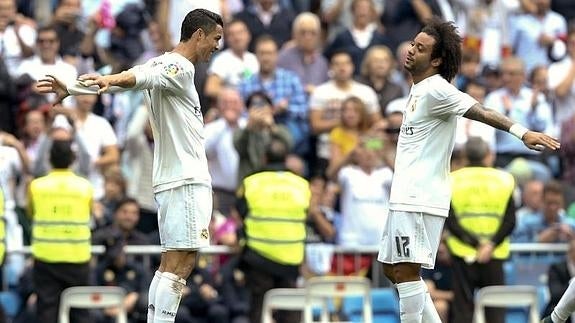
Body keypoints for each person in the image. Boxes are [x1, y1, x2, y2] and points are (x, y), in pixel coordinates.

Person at [37, 9, 224, 323]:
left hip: (173, 179)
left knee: (171, 263)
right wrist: (105, 79)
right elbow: (137, 77)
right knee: (181, 262)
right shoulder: (179, 66)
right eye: (216, 38)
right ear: (199, 34)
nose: (217, 46)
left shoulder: (163, 62)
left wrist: (74, 89)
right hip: (186, 180)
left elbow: (139, 75)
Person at [376, 16, 560, 323]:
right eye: (413, 44)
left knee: (405, 271)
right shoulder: (419, 88)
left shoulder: (437, 89)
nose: (411, 51)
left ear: (435, 60)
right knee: (389, 268)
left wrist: (521, 132)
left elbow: (481, 110)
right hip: (404, 196)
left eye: (420, 49)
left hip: (419, 197)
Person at [236, 137, 310, 323]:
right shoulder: (301, 184)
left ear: (264, 158)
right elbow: (306, 213)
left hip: (259, 257)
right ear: (286, 159)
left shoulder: (251, 182)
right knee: (290, 311)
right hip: (291, 258)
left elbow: (240, 212)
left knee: (259, 311)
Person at [445, 137, 517, 323]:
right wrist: (489, 245)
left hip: (463, 254)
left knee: (463, 312)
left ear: (464, 156)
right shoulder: (505, 179)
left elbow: (450, 221)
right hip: (494, 254)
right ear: (488, 155)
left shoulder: (451, 180)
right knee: (495, 312)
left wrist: (476, 244)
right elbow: (510, 221)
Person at [28, 139, 94, 323]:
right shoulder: (85, 187)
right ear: (73, 159)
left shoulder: (36, 186)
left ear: (49, 158)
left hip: (46, 258)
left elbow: (30, 211)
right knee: (80, 312)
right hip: (77, 258)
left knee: (47, 311)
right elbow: (90, 211)